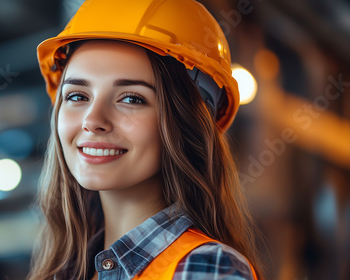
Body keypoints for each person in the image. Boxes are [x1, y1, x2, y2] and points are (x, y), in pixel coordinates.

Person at [29, 0, 263, 279]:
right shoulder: (65, 273)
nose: (92, 121)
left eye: (131, 98)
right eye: (77, 96)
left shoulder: (205, 269)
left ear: (186, 123)